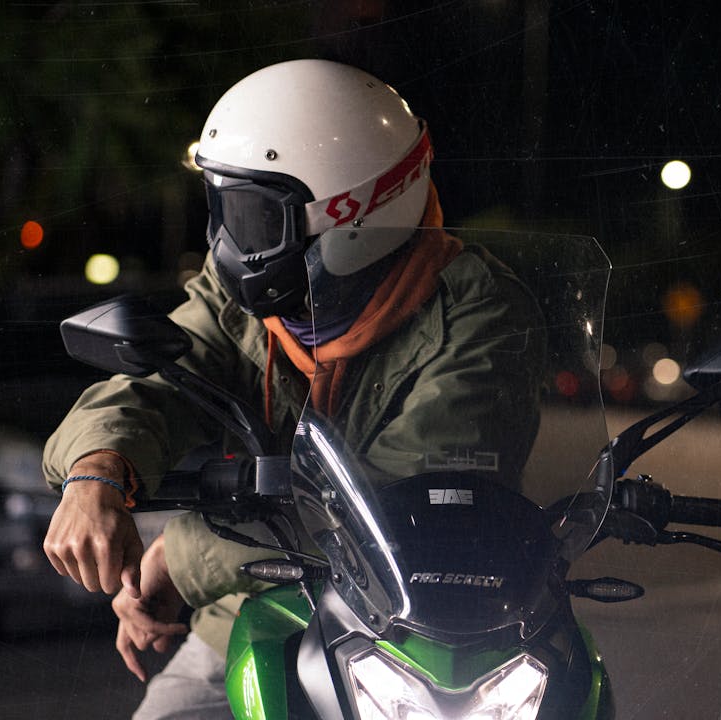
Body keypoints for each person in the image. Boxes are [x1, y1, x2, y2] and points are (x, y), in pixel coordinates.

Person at [41, 59, 545, 718]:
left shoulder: (480, 314)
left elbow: (389, 501)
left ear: (351, 212)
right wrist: (97, 469)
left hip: (426, 630)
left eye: (251, 216)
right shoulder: (250, 304)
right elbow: (159, 384)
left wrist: (180, 559)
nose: (226, 243)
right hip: (253, 612)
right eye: (221, 206)